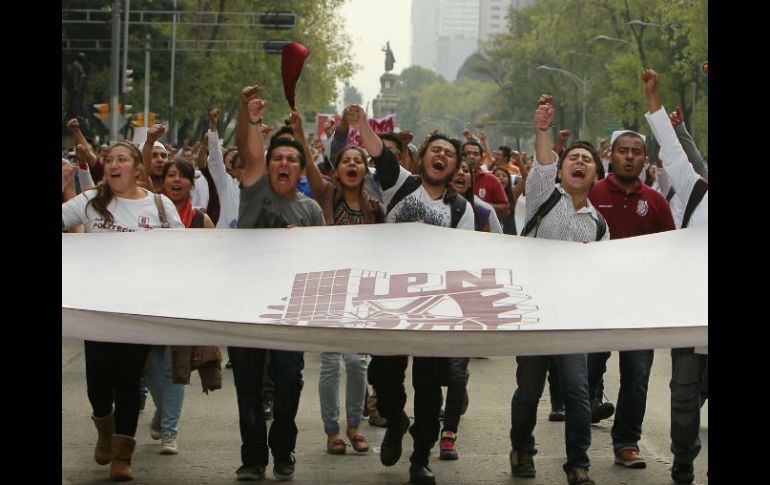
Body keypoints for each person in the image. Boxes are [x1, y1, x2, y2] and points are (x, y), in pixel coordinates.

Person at [347, 103, 473, 485]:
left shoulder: (461, 209)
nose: (441, 156)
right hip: (390, 299)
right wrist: (360, 123)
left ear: (454, 169)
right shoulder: (399, 184)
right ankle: (396, 419)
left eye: (449, 155)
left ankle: (420, 457)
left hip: (435, 306)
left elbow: (467, 258)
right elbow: (377, 152)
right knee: (383, 374)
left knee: (429, 388)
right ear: (421, 159)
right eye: (435, 150)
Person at [62, 141, 183, 481]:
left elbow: (187, 251)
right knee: (99, 381)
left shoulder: (159, 206)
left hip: (137, 309)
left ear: (137, 168)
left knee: (129, 379)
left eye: (122, 159)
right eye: (109, 159)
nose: (113, 164)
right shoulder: (90, 200)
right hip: (97, 308)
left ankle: (122, 455)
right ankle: (104, 427)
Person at [509, 95, 606, 485]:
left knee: (578, 393)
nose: (579, 163)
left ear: (596, 175)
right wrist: (544, 130)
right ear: (561, 169)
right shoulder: (542, 196)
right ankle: (521, 449)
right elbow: (543, 160)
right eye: (573, 159)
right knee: (528, 392)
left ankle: (578, 462)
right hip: (534, 314)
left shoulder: (599, 225)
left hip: (572, 319)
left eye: (587, 161)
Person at [229, 85, 325, 482]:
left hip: (290, 312)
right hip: (246, 306)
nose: (283, 163)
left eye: (291, 159)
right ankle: (253, 458)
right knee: (248, 385)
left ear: (300, 171)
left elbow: (321, 265)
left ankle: (283, 450)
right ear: (267, 167)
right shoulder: (254, 190)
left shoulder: (311, 210)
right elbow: (248, 149)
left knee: (288, 383)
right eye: (277, 158)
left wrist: (299, 246)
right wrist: (250, 117)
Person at [586, 99, 676, 469]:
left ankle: (626, 442)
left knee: (637, 377)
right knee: (586, 372)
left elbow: (670, 253)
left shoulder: (655, 202)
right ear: (610, 155)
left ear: (645, 160)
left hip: (640, 306)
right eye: (622, 150)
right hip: (595, 304)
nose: (628, 157)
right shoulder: (590, 195)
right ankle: (581, 426)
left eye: (636, 152)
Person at [290, 105, 384, 456]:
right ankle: (333, 432)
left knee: (358, 363)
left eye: (358, 162)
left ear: (364, 170)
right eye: (346, 161)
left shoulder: (375, 208)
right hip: (327, 289)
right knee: (330, 363)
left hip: (362, 292)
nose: (351, 166)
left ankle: (355, 426)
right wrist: (300, 131)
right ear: (337, 168)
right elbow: (309, 163)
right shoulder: (324, 193)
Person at [641, 68, 708, 485]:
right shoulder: (696, 190)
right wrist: (652, 97)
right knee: (684, 397)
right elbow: (671, 149)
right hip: (692, 317)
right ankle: (684, 458)